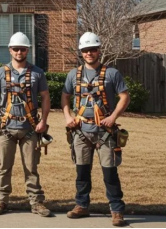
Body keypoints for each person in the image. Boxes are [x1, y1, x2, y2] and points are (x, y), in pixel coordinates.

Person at [61, 32, 130, 227]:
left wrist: (113, 117)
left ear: (99, 50)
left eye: (93, 49)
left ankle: (116, 210)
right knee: (82, 171)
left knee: (110, 172)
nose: (89, 53)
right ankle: (81, 205)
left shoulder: (112, 73)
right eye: (85, 50)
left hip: (105, 132)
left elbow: (124, 97)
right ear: (81, 52)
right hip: (81, 130)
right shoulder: (73, 74)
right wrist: (68, 117)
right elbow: (65, 97)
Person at [0, 32, 51, 217]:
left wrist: (44, 121)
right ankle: (1, 200)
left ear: (27, 50)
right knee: (4, 167)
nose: (19, 52)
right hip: (6, 128)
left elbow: (45, 97)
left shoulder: (37, 73)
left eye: (22, 49)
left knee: (31, 167)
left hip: (30, 128)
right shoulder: (0, 73)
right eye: (16, 49)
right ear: (10, 50)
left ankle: (36, 202)